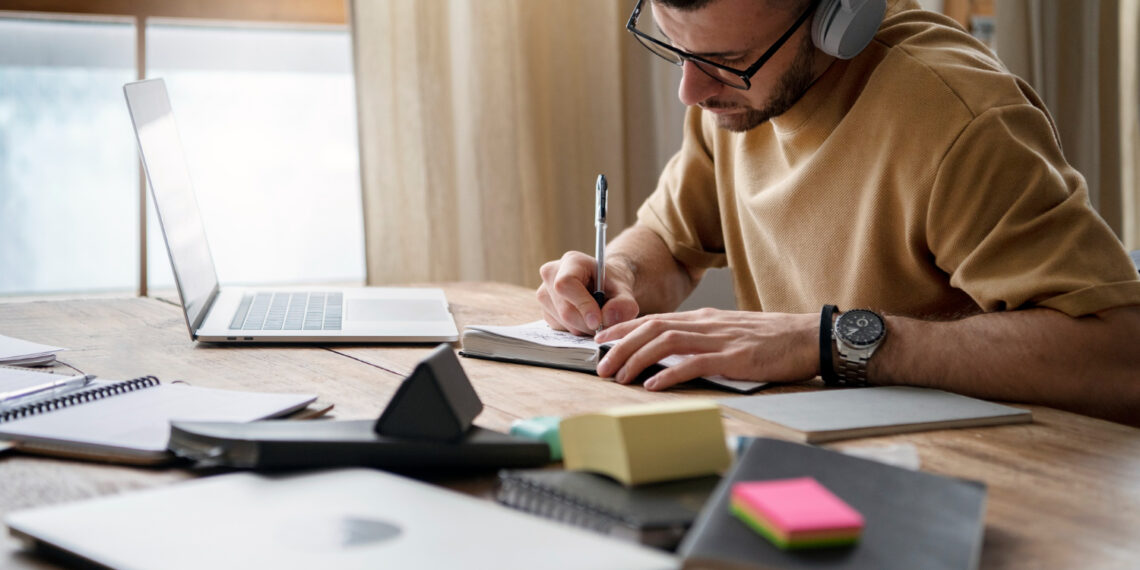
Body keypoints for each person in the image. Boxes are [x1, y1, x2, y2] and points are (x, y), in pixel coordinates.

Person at [536, 0, 1140, 426]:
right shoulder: (732, 99)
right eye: (675, 48)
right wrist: (618, 276)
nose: (690, 92)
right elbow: (668, 242)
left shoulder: (960, 121)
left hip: (998, 486)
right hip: (814, 453)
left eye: (726, 59)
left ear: (838, 17)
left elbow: (1120, 359)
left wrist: (829, 340)